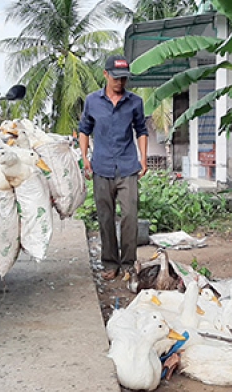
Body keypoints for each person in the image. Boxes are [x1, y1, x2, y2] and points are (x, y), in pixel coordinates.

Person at [78, 54, 149, 281]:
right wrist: (84, 157)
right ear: (106, 75)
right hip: (101, 166)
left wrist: (144, 158)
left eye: (124, 79)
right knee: (105, 217)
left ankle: (128, 263)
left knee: (130, 216)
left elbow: (141, 130)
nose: (120, 82)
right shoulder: (92, 101)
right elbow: (84, 130)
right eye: (116, 78)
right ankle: (110, 263)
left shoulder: (135, 102)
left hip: (128, 166)